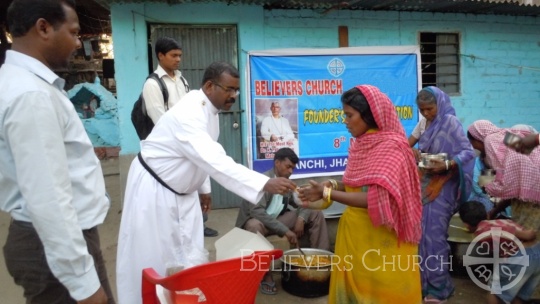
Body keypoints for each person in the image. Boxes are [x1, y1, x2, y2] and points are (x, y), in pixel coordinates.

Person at [116, 61, 297, 304]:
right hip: (155, 190)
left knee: (189, 255)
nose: (233, 96)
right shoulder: (189, 114)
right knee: (152, 257)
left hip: (184, 192)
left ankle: (183, 296)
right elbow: (215, 160)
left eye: (236, 91)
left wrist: (204, 189)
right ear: (210, 86)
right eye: (229, 90)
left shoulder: (209, 110)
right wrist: (264, 184)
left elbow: (200, 155)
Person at [0, 0, 114, 303]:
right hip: (51, 245)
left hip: (52, 240)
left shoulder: (28, 85)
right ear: (44, 28)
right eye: (75, 33)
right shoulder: (31, 95)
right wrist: (83, 283)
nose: (78, 43)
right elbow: (48, 197)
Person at [299, 85, 423, 303]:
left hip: (382, 240)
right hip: (355, 238)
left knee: (382, 296)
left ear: (369, 115)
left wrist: (327, 193)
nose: (345, 121)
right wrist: (330, 185)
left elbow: (374, 198)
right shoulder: (361, 145)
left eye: (349, 115)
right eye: (344, 115)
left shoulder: (392, 148)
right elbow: (356, 186)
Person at [235, 147, 330, 295]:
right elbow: (256, 212)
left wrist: (301, 218)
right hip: (258, 224)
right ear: (277, 163)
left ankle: (323, 263)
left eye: (293, 168)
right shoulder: (262, 181)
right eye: (288, 167)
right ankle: (265, 274)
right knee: (254, 225)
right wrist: (285, 230)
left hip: (275, 221)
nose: (291, 171)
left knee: (315, 213)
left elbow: (302, 204)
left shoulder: (287, 184)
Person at [414, 86, 475, 303]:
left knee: (435, 238)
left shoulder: (450, 122)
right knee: (421, 237)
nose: (427, 113)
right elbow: (413, 146)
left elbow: (467, 153)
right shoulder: (426, 124)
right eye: (422, 110)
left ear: (439, 103)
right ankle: (423, 285)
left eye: (430, 109)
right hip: (425, 185)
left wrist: (447, 164)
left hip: (445, 187)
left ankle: (438, 288)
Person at [458, 201, 540, 304]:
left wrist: (523, 235)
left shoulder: (481, 231)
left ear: (466, 225)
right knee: (519, 296)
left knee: (495, 293)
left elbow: (502, 231)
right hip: (537, 253)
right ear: (487, 215)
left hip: (520, 256)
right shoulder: (497, 221)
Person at [467, 120, 540, 232]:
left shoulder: (490, 142)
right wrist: (495, 211)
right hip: (532, 191)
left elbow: (502, 183)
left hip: (529, 202)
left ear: (477, 138)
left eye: (473, 144)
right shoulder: (505, 136)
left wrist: (488, 187)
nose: (475, 148)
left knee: (528, 237)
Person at [143, 36, 189, 124]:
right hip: (168, 135)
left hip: (185, 134)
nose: (178, 59)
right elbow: (159, 121)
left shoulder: (182, 80)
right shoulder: (152, 84)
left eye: (179, 55)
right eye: (174, 55)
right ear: (161, 56)